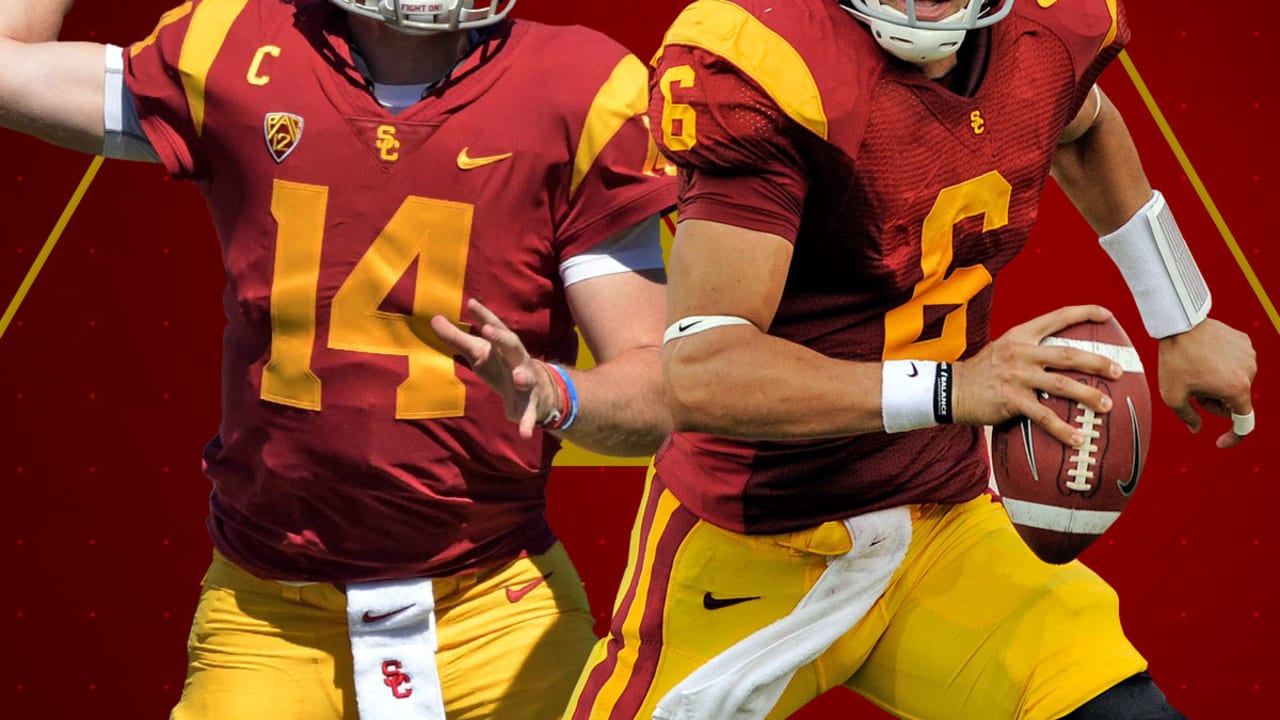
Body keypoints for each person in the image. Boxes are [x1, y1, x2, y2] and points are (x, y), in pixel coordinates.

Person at [566, 1, 1257, 719]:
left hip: (944, 520)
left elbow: (1080, 128)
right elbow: (704, 372)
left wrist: (1182, 315)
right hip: (759, 541)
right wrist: (953, 389)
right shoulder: (767, 62)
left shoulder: (1045, 32)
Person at [0, 0, 676, 718]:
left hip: (492, 607)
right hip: (269, 614)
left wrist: (556, 394)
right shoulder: (235, 48)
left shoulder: (578, 89)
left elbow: (654, 396)